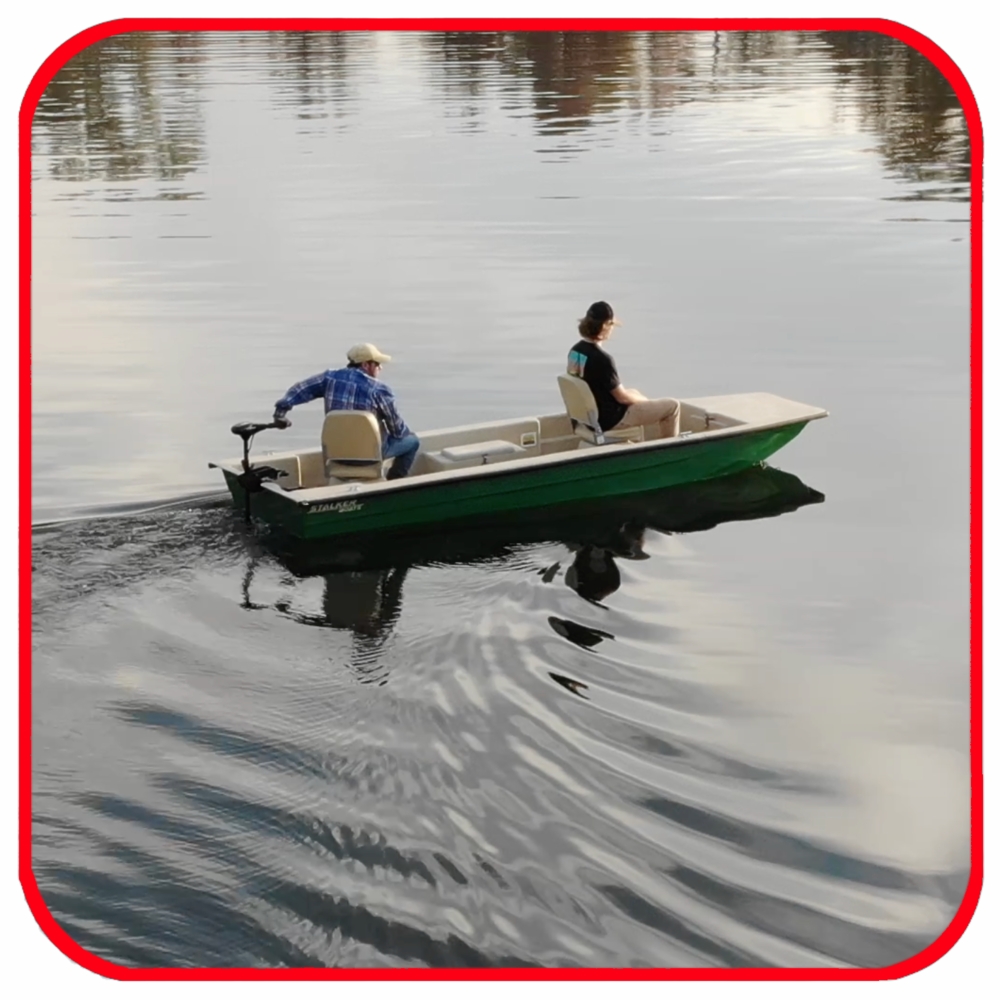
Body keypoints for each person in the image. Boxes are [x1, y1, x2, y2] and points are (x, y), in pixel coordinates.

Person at [272, 343, 420, 480]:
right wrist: (404, 433)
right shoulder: (380, 390)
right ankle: (395, 482)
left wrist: (280, 413)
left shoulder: (329, 378)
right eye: (377, 364)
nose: (380, 368)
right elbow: (397, 430)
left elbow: (298, 390)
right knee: (412, 442)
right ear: (366, 364)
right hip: (370, 456)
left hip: (336, 455)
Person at [567, 301, 680, 439]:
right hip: (611, 420)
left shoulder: (575, 351)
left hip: (591, 418)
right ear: (605, 326)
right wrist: (643, 402)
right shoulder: (603, 359)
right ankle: (668, 450)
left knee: (634, 391)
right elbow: (621, 397)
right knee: (672, 406)